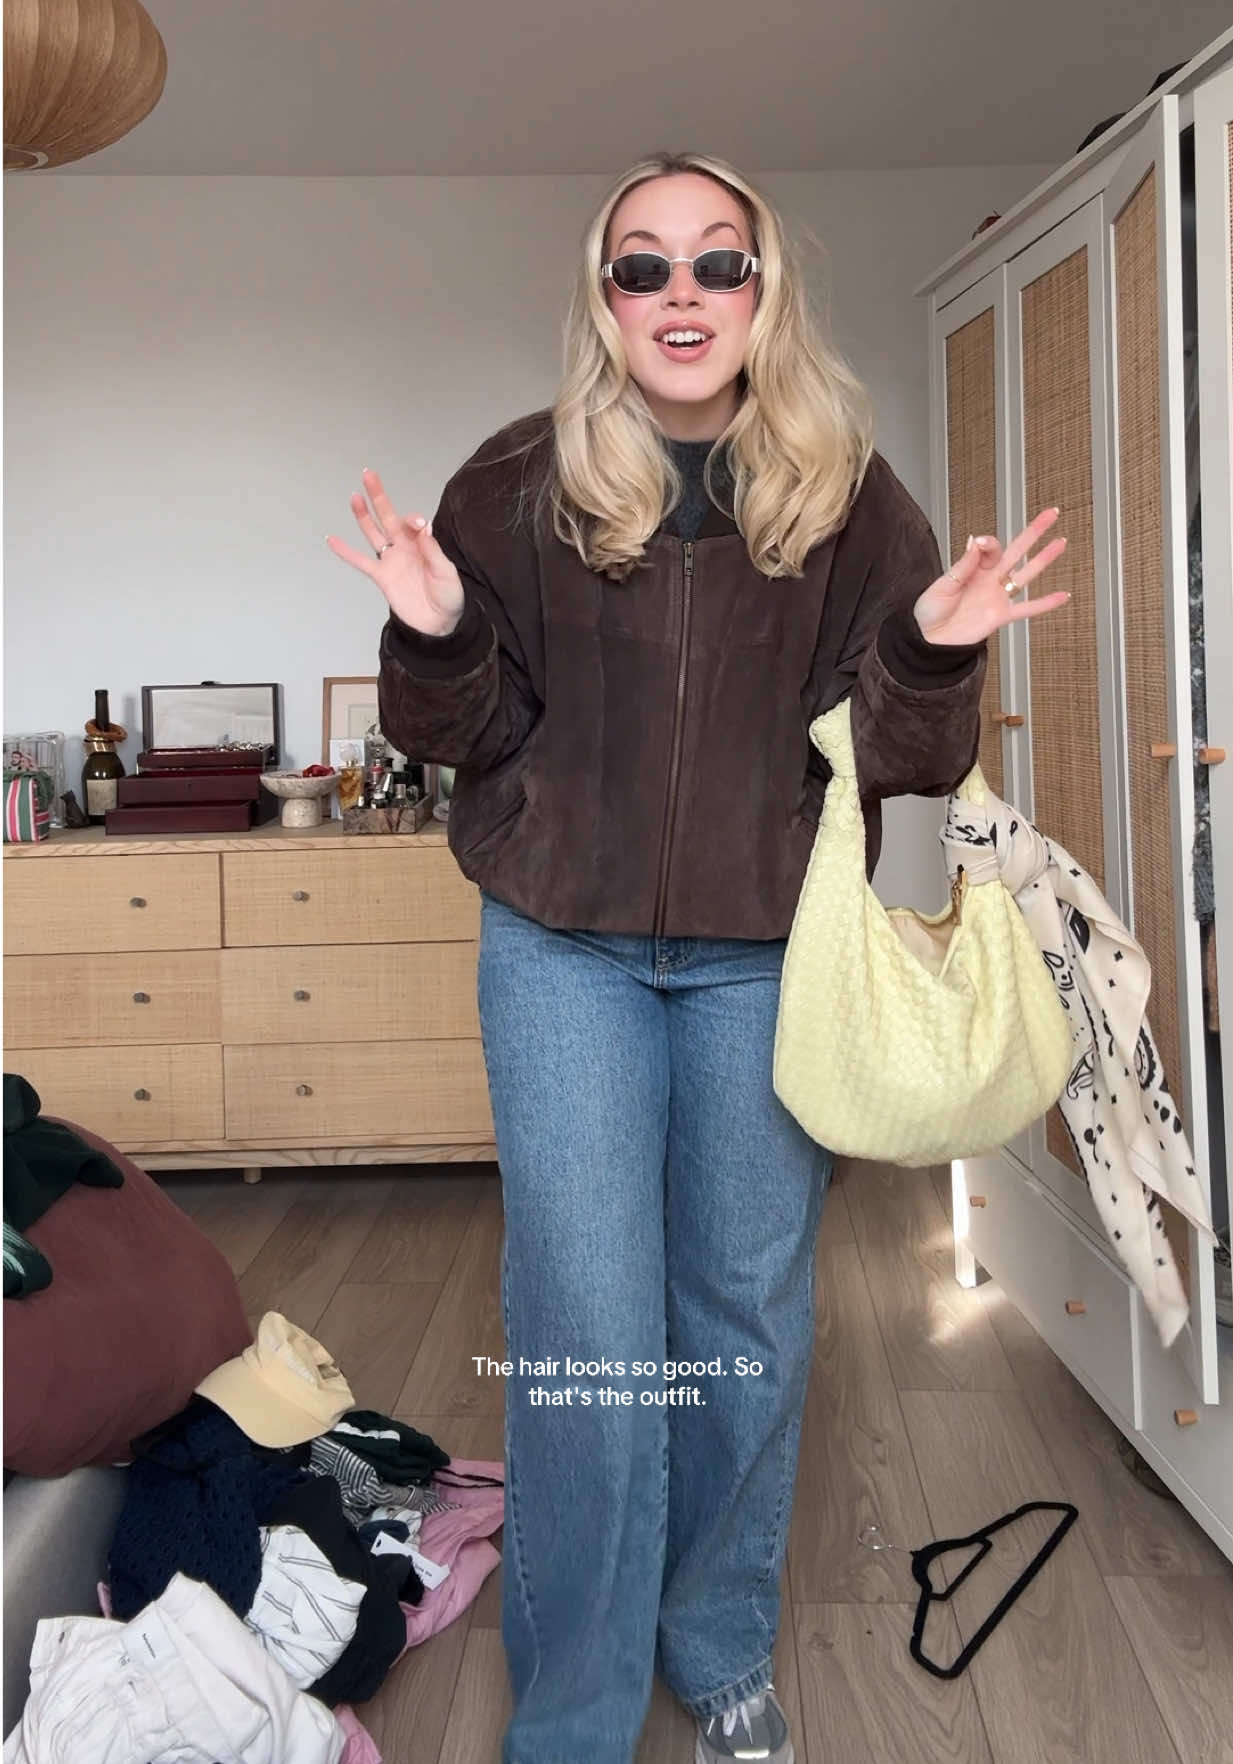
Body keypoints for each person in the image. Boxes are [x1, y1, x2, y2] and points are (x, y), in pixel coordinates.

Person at [326, 150, 1069, 1764]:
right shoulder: (513, 483)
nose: (681, 294)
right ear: (602, 298)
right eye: (642, 264)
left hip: (762, 955)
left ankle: (718, 1636)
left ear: (761, 289)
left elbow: (900, 764)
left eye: (716, 262)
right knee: (586, 1327)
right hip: (562, 950)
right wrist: (435, 629)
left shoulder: (846, 492)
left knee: (744, 1316)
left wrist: (931, 649)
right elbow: (465, 735)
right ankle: (578, 1702)